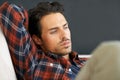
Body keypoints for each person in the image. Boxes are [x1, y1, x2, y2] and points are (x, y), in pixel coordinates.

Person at [0, 1, 85, 80]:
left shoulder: (85, 62)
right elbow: (10, 11)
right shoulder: (34, 64)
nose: (64, 35)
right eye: (54, 31)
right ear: (37, 39)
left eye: (65, 27)